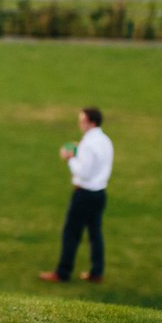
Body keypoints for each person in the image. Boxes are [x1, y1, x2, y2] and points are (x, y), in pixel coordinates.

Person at [40, 107, 113, 283]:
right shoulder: (105, 140)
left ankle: (62, 272)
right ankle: (97, 272)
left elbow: (84, 172)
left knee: (71, 233)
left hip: (84, 194)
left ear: (91, 122)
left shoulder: (88, 144)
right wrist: (79, 151)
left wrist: (70, 158)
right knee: (95, 234)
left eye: (82, 121)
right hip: (100, 193)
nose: (80, 124)